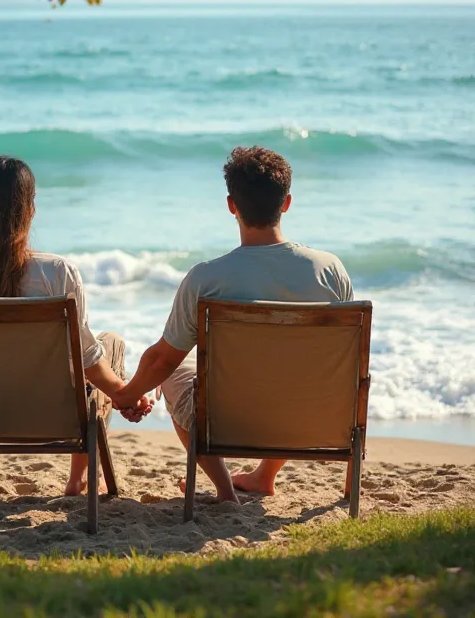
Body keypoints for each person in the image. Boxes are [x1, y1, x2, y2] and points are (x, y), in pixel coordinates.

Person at [113, 145, 354, 502]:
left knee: (173, 375)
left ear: (231, 205)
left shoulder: (207, 279)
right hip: (310, 413)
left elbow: (162, 361)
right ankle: (263, 476)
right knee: (294, 371)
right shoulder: (329, 270)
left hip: (228, 419)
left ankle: (225, 490)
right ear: (286, 203)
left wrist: (126, 394)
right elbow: (347, 360)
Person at [0, 155, 152, 496]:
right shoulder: (56, 273)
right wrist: (127, 395)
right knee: (111, 344)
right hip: (52, 417)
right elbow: (90, 365)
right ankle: (78, 478)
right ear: (28, 210)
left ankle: (82, 475)